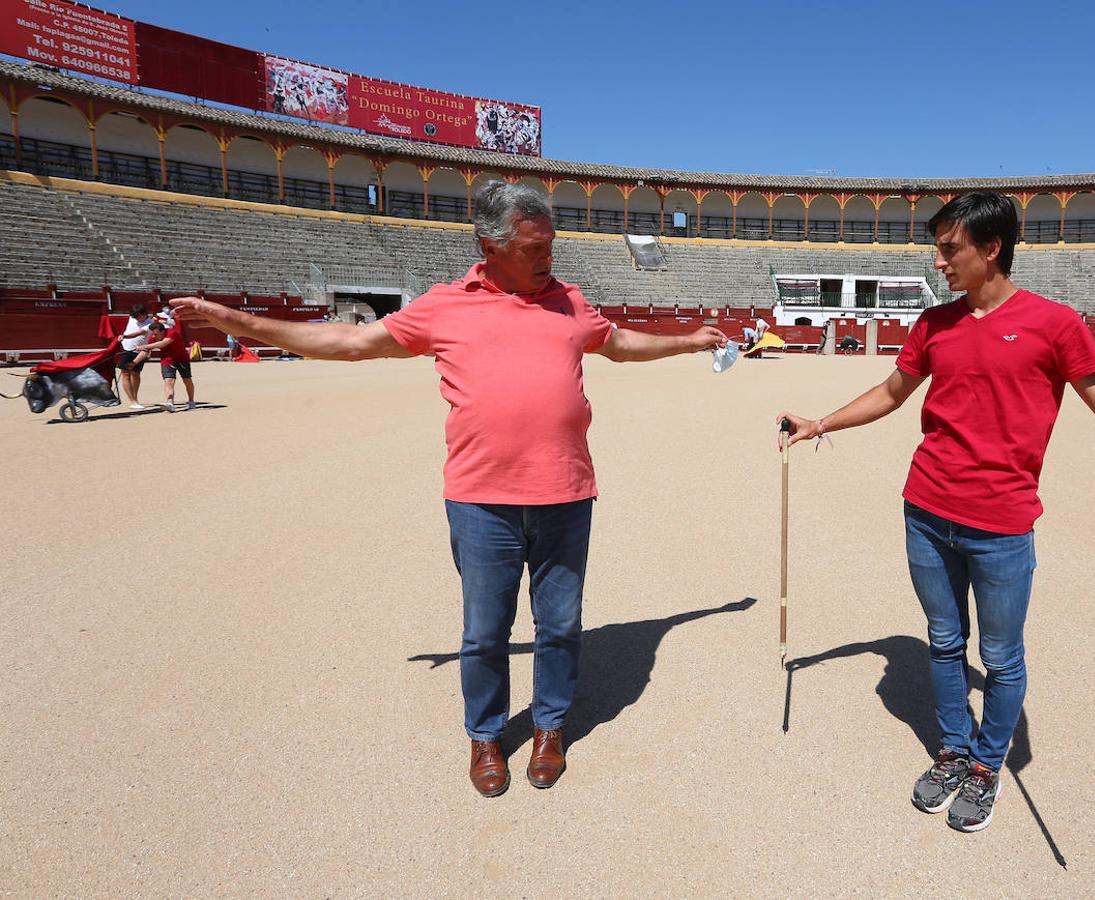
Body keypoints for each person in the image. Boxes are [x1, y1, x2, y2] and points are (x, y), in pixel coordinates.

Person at [171, 181, 728, 798]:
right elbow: (353, 342)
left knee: (561, 625)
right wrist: (242, 322)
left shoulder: (568, 300)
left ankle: (548, 727)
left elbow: (619, 344)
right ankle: (486, 735)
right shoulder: (445, 305)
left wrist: (687, 342)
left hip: (566, 492)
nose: (548, 258)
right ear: (489, 245)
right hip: (481, 499)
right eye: (532, 246)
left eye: (550, 245)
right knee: (485, 631)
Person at [777, 191, 1095, 833]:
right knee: (944, 641)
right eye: (940, 247)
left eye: (951, 249)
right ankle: (953, 749)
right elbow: (893, 393)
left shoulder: (1054, 323)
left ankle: (986, 763)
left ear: (991, 248)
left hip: (1002, 524)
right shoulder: (934, 323)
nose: (940, 261)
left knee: (1001, 658)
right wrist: (820, 422)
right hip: (925, 510)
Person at [145, 316, 198, 411]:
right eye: (152, 334)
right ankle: (170, 402)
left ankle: (191, 401)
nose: (153, 336)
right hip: (167, 360)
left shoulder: (172, 333)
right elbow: (145, 350)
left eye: (155, 334)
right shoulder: (153, 339)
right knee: (168, 381)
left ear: (162, 331)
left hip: (182, 359)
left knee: (187, 380)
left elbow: (163, 344)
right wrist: (134, 362)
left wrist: (145, 346)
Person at [116, 303, 154, 409]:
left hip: (139, 351)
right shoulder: (133, 317)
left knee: (136, 375)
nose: (136, 319)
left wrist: (124, 336)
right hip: (125, 349)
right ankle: (132, 401)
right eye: (135, 317)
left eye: (138, 316)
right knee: (125, 374)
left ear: (144, 314)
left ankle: (135, 399)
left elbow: (139, 333)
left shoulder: (150, 324)